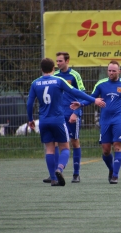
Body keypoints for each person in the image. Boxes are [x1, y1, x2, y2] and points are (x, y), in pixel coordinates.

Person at [27, 58, 105, 186]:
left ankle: (53, 178)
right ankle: (60, 168)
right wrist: (94, 100)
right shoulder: (59, 80)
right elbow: (76, 92)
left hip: (44, 121)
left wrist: (30, 119)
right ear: (53, 68)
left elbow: (30, 103)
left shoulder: (35, 83)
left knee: (50, 149)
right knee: (65, 148)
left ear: (41, 69)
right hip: (58, 119)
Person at [72, 61, 121, 184]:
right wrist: (81, 104)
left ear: (119, 71)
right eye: (109, 70)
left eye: (114, 71)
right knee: (105, 150)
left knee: (117, 146)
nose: (111, 73)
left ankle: (115, 176)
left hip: (119, 119)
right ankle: (111, 169)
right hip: (105, 120)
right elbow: (92, 98)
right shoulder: (101, 84)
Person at [42, 52, 86, 184]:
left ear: (67, 61)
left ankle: (76, 174)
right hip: (58, 116)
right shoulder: (54, 76)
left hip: (71, 114)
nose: (58, 63)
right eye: (57, 61)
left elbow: (81, 93)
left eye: (60, 61)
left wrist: (76, 113)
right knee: (54, 143)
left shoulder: (75, 75)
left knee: (74, 142)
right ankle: (54, 173)